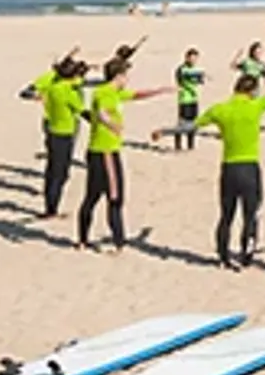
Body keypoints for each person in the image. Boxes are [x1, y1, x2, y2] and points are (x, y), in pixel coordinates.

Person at [75, 56, 171, 252]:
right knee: (113, 198)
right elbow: (101, 112)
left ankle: (84, 241)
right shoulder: (104, 92)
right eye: (126, 76)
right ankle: (116, 243)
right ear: (118, 76)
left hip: (102, 151)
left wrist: (160, 90)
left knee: (96, 197)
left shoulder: (116, 93)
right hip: (105, 152)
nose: (127, 79)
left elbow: (136, 95)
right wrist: (112, 125)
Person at [196, 73, 265, 269]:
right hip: (249, 167)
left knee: (226, 215)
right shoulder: (255, 106)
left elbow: (191, 126)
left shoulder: (221, 109)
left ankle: (222, 256)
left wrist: (164, 131)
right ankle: (246, 255)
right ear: (252, 91)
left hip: (229, 168)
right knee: (250, 214)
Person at [38, 59, 88, 218]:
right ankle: (52, 210)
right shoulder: (69, 91)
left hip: (52, 131)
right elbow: (82, 111)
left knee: (51, 170)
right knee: (61, 174)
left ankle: (49, 206)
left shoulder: (53, 88)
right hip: (65, 134)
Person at [172, 48, 207, 151]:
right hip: (184, 99)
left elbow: (200, 81)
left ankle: (190, 145)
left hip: (194, 99)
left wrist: (201, 78)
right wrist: (201, 74)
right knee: (182, 122)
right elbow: (185, 76)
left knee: (193, 123)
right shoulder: (182, 69)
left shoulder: (195, 69)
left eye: (195, 59)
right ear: (187, 58)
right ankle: (178, 145)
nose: (193, 61)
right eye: (191, 58)